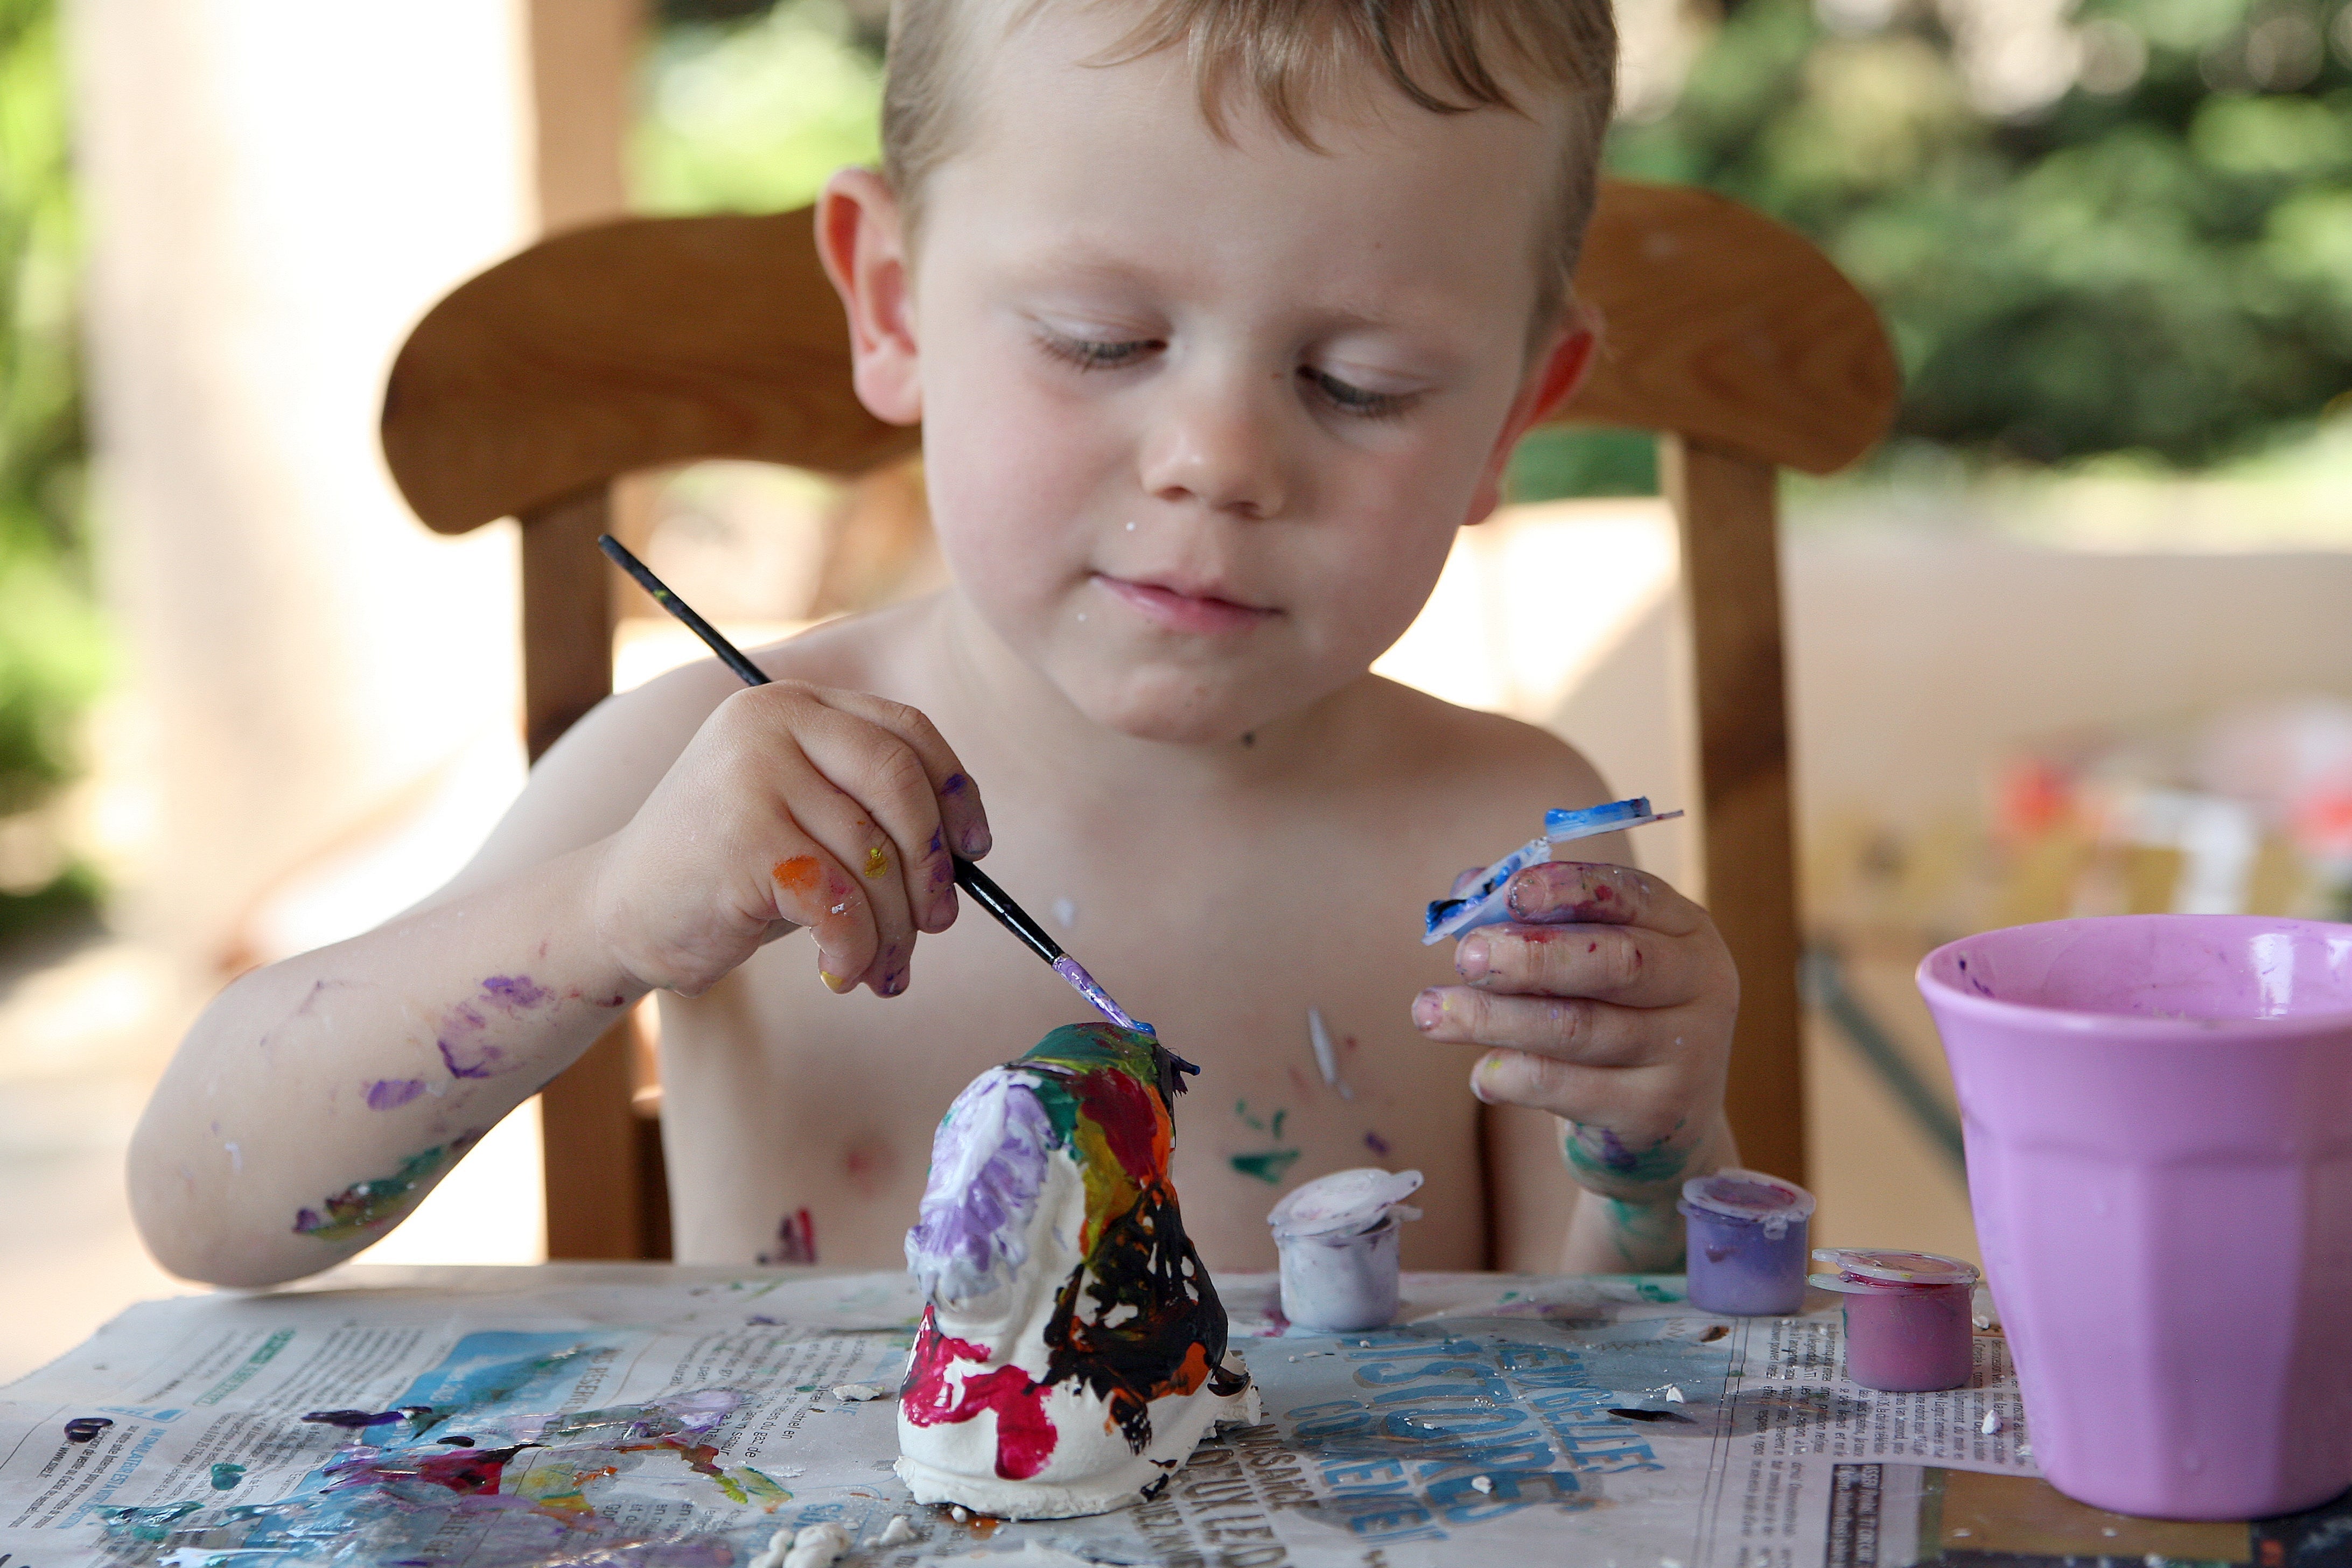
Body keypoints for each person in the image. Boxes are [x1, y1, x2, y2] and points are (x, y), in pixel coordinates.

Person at [128, 0, 1740, 1289]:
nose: (1217, 460)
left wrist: (1652, 1164)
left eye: (1360, 385)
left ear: (1513, 414)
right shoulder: (706, 779)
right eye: (1102, 343)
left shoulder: (1507, 850)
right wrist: (608, 917)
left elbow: (1613, 1368)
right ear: (894, 302)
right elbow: (208, 1202)